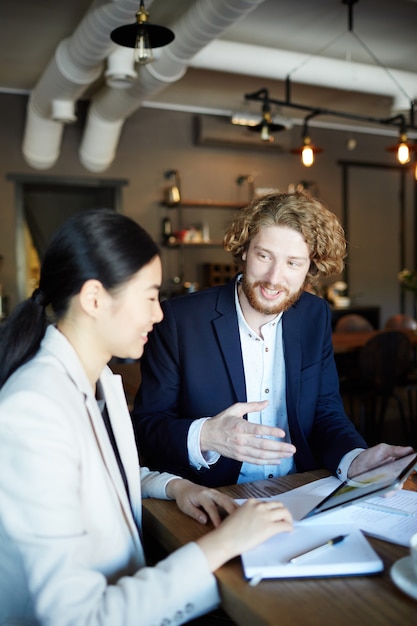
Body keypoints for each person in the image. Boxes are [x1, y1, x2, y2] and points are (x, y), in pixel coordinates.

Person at [0, 209, 293, 625]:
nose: (159, 315)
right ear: (95, 299)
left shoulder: (100, 378)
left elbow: (101, 474)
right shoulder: (33, 412)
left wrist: (176, 487)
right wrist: (221, 545)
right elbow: (76, 618)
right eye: (150, 296)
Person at [132, 192, 413, 487]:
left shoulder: (314, 315)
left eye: (293, 263)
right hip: (213, 493)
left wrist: (354, 459)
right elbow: (147, 426)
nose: (273, 278)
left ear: (311, 267)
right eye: (264, 256)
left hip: (302, 486)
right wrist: (208, 435)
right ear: (244, 250)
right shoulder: (179, 319)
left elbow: (325, 413)